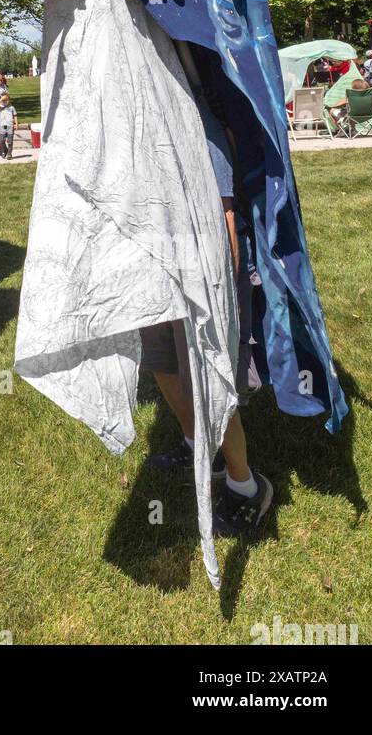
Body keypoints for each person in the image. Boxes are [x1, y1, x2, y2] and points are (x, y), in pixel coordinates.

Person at [143, 86, 273, 537]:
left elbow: (225, 221)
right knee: (162, 364)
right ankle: (198, 445)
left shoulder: (198, 120)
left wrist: (223, 303)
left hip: (204, 277)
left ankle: (246, 486)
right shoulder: (137, 122)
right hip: (158, 268)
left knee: (212, 387)